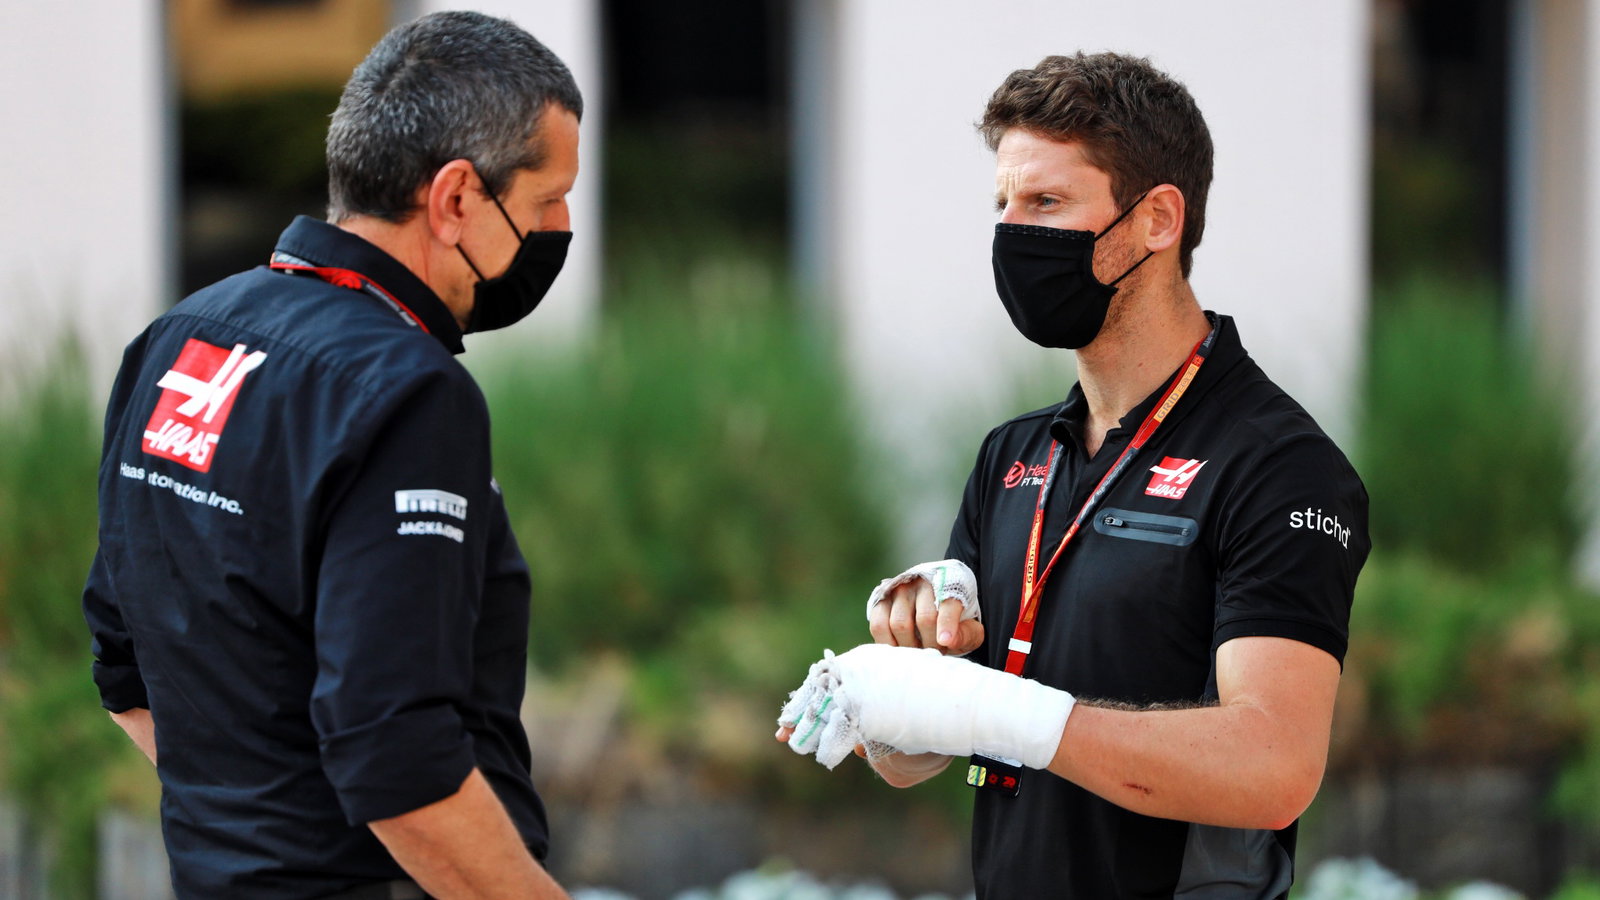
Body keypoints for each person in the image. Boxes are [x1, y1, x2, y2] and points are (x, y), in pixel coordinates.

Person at [778, 52, 1369, 898]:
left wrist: (1007, 714)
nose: (1012, 232)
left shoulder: (1279, 465)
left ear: (1157, 219)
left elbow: (1273, 766)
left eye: (1046, 203)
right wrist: (900, 688)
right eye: (1003, 204)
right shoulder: (1012, 454)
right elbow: (917, 763)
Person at [82, 12, 580, 899]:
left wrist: (264, 824)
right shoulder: (408, 392)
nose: (562, 226)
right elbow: (399, 757)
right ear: (456, 199)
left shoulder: (179, 338)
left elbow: (126, 668)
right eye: (547, 201)